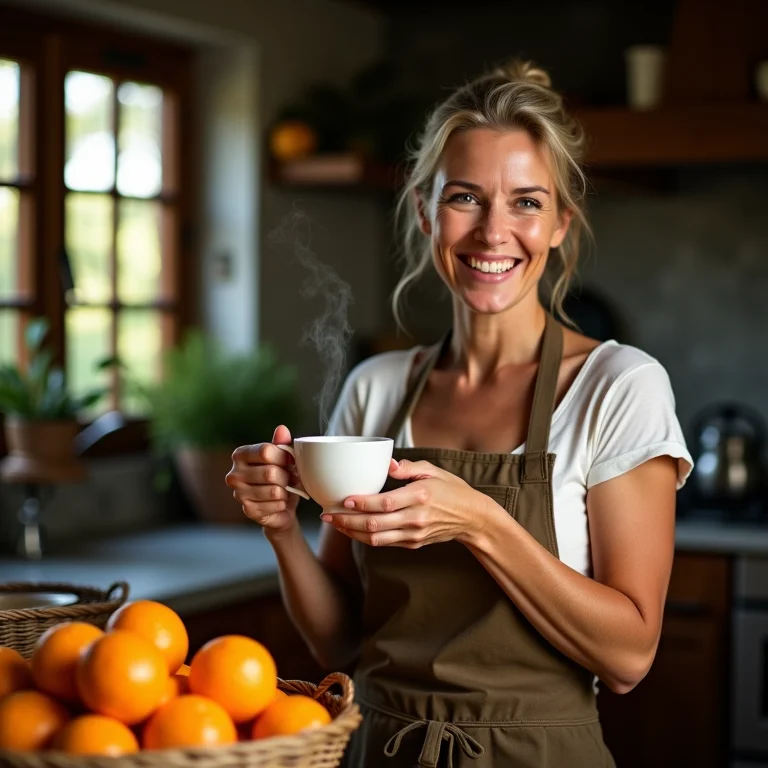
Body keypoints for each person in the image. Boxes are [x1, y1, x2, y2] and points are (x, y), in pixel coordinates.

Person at [227, 59, 693, 767]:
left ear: (562, 222)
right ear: (425, 210)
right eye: (466, 198)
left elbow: (629, 657)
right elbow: (340, 644)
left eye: (527, 203)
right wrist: (281, 526)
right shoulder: (375, 389)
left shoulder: (618, 387)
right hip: (379, 747)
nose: (492, 232)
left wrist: (480, 522)